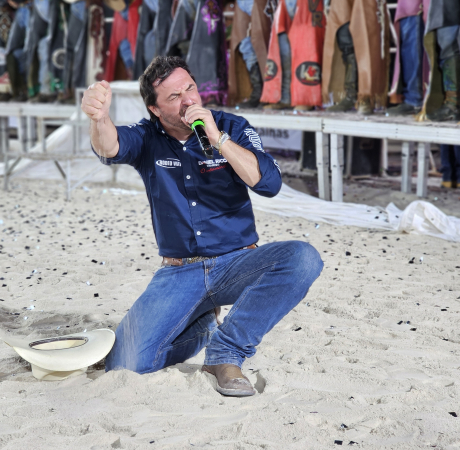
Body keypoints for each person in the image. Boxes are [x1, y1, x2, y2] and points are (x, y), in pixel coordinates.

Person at [82, 56, 323, 397]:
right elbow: (109, 146)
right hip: (180, 272)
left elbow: (269, 184)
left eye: (190, 88)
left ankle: (226, 353)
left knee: (303, 258)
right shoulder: (147, 137)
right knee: (126, 364)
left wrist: (218, 138)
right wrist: (99, 118)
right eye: (174, 97)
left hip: (237, 263)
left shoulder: (230, 126)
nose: (188, 100)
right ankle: (203, 325)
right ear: (155, 109)